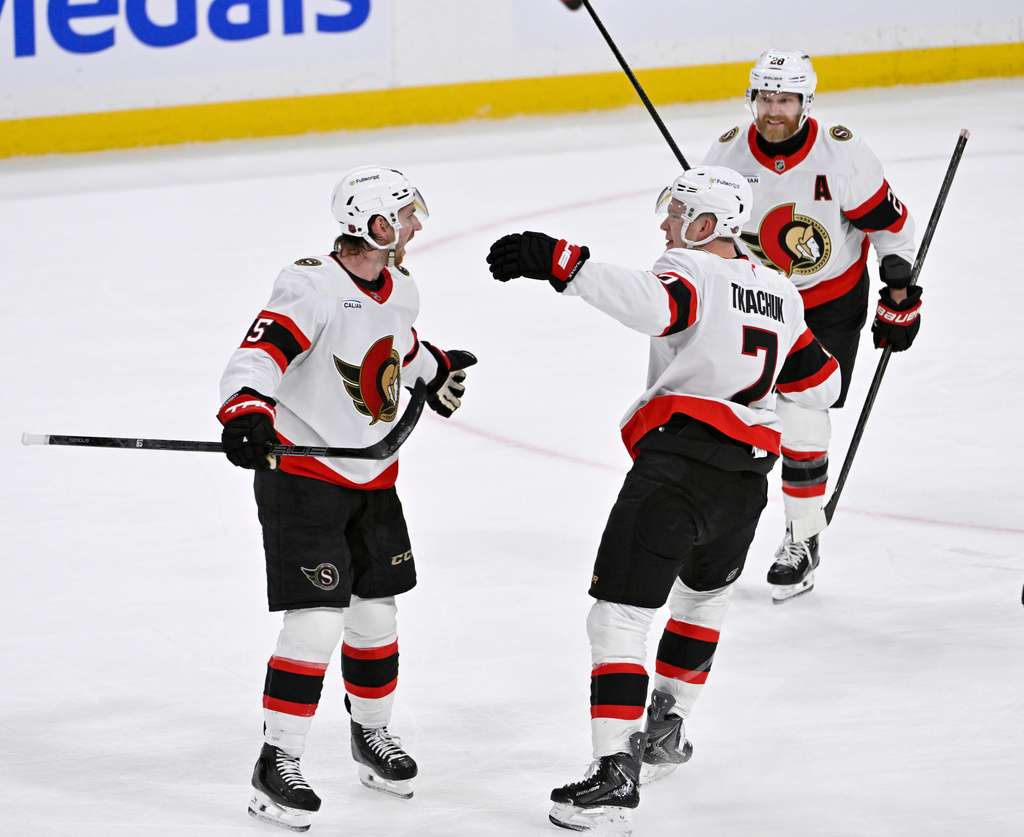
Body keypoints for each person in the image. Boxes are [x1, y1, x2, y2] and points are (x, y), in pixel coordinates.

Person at [486, 166, 840, 834]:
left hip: (679, 466)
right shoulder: (782, 292)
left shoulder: (692, 269)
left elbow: (654, 305)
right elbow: (822, 383)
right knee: (702, 598)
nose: (664, 225)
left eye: (675, 214)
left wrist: (561, 261)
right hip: (746, 483)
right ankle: (667, 726)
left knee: (617, 617)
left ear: (705, 225)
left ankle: (616, 771)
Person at [217, 165, 476, 831]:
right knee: (316, 619)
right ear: (376, 225)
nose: (416, 224)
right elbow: (260, 354)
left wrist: (436, 369)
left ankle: (371, 734)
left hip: (371, 474)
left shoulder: (401, 287)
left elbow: (398, 347)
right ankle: (277, 762)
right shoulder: (311, 285)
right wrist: (246, 411)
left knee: (376, 616)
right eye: (406, 215)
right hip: (301, 475)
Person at [701, 49, 921, 603]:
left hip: (828, 305)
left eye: (786, 99)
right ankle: (716, 538)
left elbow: (891, 228)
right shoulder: (727, 152)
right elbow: (703, 235)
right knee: (732, 417)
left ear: (806, 101)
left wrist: (899, 296)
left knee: (801, 422)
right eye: (766, 97)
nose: (774, 110)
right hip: (754, 301)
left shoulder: (841, 154)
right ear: (753, 98)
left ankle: (801, 540)